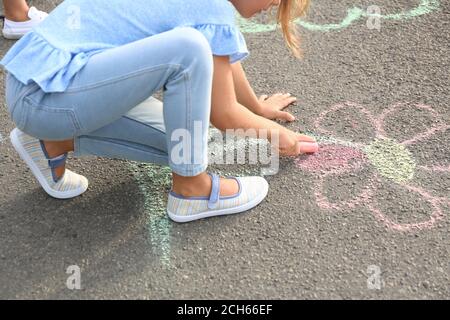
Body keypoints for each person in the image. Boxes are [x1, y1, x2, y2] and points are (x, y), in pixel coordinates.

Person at [1, 0, 317, 223]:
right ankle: (192, 190)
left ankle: (51, 143)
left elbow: (221, 54)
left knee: (188, 142)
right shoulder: (216, 9)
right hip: (48, 97)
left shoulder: (210, 7)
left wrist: (257, 108)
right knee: (188, 52)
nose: (275, 4)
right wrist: (283, 138)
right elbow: (224, 115)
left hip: (37, 84)